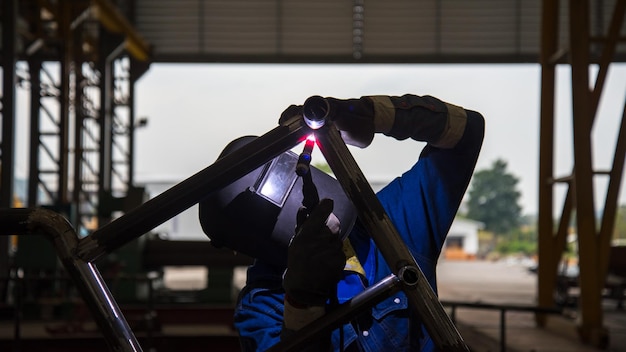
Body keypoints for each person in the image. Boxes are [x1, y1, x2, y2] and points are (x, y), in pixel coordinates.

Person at [200, 94, 484, 351]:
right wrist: (302, 303)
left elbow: (467, 131)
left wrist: (373, 114)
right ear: (245, 241)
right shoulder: (262, 310)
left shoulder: (387, 223)